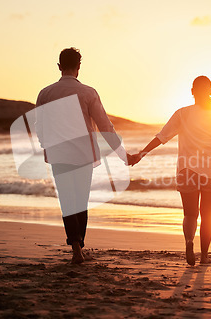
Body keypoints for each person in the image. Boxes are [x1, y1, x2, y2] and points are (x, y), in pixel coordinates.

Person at [35, 47, 132, 264]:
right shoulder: (88, 93)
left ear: (59, 67)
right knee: (80, 200)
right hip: (83, 155)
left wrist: (47, 146)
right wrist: (122, 154)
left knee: (67, 201)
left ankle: (76, 246)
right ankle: (79, 247)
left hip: (58, 154)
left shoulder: (45, 93)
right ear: (79, 67)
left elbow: (40, 126)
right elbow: (105, 126)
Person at [130, 76, 211, 265]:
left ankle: (189, 242)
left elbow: (162, 137)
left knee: (190, 214)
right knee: (208, 215)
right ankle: (204, 256)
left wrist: (142, 153)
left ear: (192, 91)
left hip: (187, 170)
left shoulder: (182, 114)